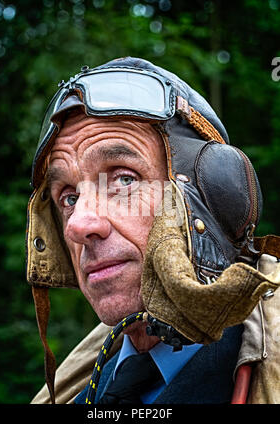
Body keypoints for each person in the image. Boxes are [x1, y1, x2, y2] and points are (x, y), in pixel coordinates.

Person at [27, 57, 280, 405]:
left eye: (124, 179)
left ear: (214, 196)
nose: (79, 225)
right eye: (69, 197)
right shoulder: (82, 389)